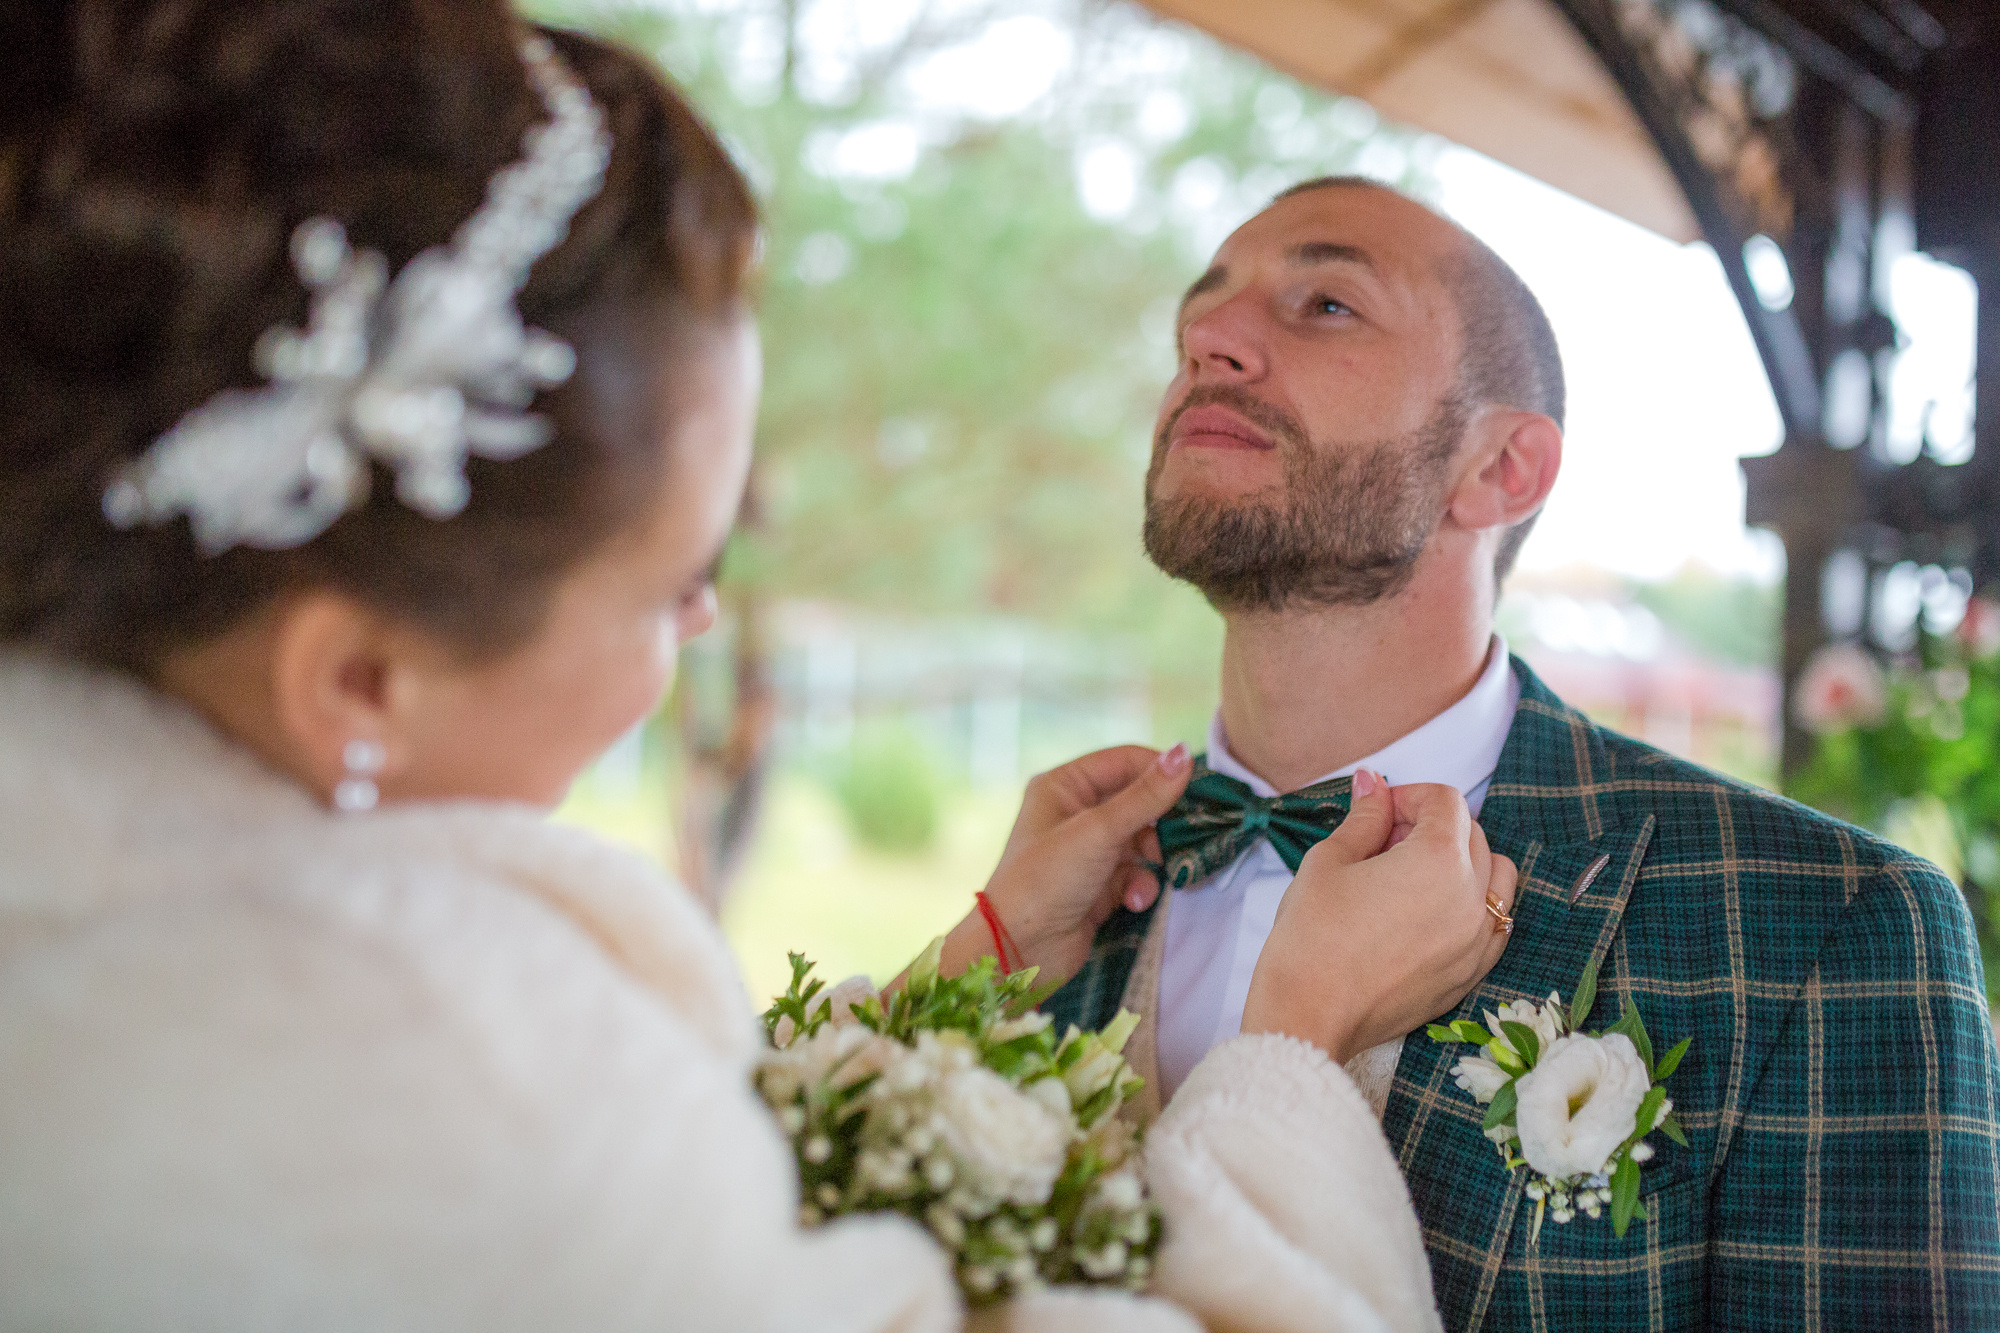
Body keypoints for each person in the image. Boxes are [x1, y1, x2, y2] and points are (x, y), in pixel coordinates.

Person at [0, 7, 1519, 1330]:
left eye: (1319, 302)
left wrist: (983, 952)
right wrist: (1295, 1041)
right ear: (358, 683)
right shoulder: (426, 1060)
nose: (1210, 340)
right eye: (679, 580)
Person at [1041, 176, 2000, 1331]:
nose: (1209, 340)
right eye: (1199, 314)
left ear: (1502, 469)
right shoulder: (1055, 897)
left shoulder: (1828, 926)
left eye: (1325, 304)